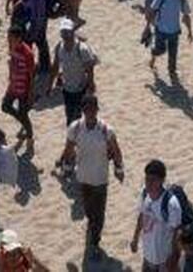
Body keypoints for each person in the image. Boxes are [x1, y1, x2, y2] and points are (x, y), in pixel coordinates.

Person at [57, 94, 124, 260]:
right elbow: (69, 148)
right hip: (83, 177)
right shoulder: (75, 128)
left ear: (97, 109)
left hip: (101, 178)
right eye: (87, 109)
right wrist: (65, 164)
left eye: (93, 109)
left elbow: (116, 150)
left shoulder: (106, 130)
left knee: (99, 213)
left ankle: (95, 241)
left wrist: (119, 167)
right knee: (88, 209)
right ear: (83, 110)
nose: (90, 113)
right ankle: (92, 228)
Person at [131, 159, 182, 272]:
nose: (148, 183)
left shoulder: (171, 204)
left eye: (153, 180)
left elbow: (177, 232)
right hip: (148, 256)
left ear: (162, 180)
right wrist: (135, 238)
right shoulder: (145, 193)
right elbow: (142, 216)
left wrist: (174, 258)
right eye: (147, 179)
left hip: (164, 260)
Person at [50, 19, 98, 128]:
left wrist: (91, 85)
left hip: (81, 89)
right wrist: (50, 85)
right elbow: (55, 66)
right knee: (69, 116)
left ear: (72, 32)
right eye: (63, 32)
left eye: (67, 31)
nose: (65, 35)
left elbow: (90, 68)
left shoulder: (82, 49)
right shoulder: (59, 47)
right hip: (67, 88)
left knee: (79, 116)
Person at [147, 0, 192, 81]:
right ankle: (153, 55)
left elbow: (186, 15)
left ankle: (172, 71)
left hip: (175, 31)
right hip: (161, 30)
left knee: (173, 54)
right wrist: (147, 26)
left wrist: (190, 31)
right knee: (160, 50)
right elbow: (152, 11)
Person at [3, 26, 36, 149]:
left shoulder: (28, 53)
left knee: (23, 113)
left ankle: (30, 136)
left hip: (23, 89)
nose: (9, 40)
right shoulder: (12, 47)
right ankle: (23, 122)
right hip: (13, 86)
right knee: (5, 106)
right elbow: (12, 62)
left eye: (11, 38)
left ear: (19, 38)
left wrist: (31, 92)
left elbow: (32, 75)